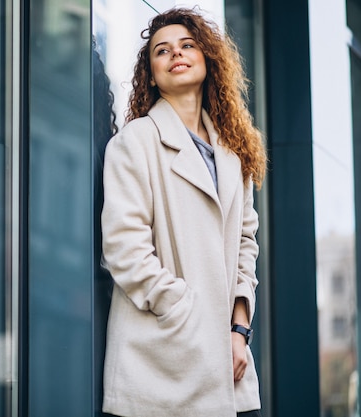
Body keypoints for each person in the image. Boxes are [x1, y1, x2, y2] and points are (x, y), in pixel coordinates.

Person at [101, 7, 266, 417]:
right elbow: (125, 249)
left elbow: (247, 244)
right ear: (152, 75)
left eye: (187, 45)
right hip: (160, 362)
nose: (176, 53)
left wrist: (238, 330)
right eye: (162, 50)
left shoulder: (232, 154)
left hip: (227, 361)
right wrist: (185, 313)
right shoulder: (135, 143)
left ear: (207, 58)